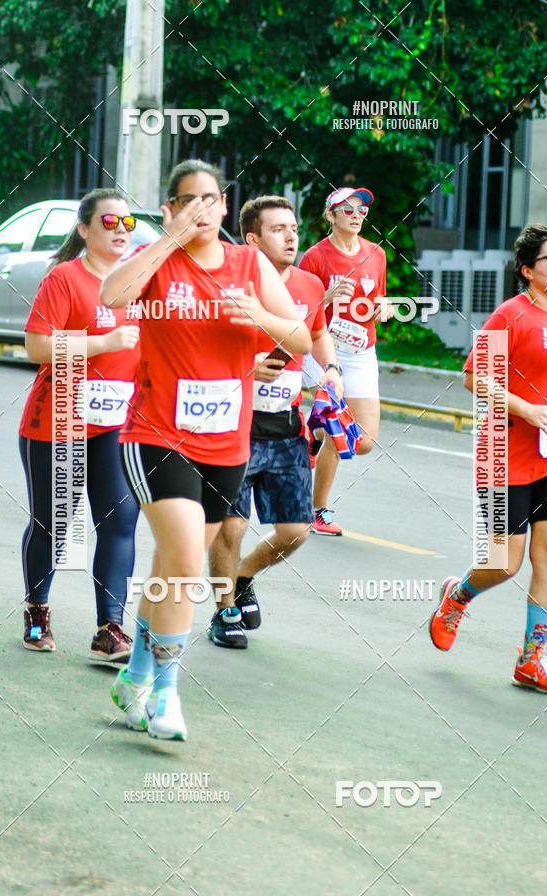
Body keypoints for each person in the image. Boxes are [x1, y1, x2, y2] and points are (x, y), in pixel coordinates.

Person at [101, 161, 311, 740]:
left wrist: (262, 315)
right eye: (186, 200)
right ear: (171, 208)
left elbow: (300, 337)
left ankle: (136, 679)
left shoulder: (248, 265)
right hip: (157, 437)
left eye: (209, 199)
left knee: (170, 567)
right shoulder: (160, 262)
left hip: (228, 444)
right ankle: (166, 693)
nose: (200, 208)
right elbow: (111, 295)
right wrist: (167, 238)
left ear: (224, 207)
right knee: (188, 562)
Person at [429, 224, 547, 694]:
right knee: (504, 562)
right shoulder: (510, 315)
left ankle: (531, 660)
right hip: (505, 454)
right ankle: (457, 597)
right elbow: (476, 379)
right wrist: (528, 408)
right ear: (528, 271)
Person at [207, 195, 343, 649]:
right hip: (237, 423)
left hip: (287, 426)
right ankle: (224, 611)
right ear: (252, 238)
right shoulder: (229, 284)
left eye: (293, 228)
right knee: (232, 526)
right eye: (278, 229)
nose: (291, 236)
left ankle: (244, 574)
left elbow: (319, 333)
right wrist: (248, 366)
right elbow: (200, 352)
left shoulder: (307, 284)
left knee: (295, 531)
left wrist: (331, 370)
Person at [19, 188, 141, 662]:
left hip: (115, 424)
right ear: (84, 229)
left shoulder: (139, 284)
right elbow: (37, 348)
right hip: (56, 422)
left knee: (120, 518)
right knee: (55, 523)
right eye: (109, 223)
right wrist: (102, 341)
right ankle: (37, 611)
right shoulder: (65, 279)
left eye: (128, 224)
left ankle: (109, 627)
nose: (120, 231)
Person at [299, 186, 391, 535]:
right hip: (321, 348)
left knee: (363, 440)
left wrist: (385, 309)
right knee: (338, 427)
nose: (356, 216)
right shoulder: (315, 257)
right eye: (348, 210)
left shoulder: (376, 254)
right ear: (331, 215)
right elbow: (299, 310)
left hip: (360, 350)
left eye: (361, 210)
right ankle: (318, 509)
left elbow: (377, 303)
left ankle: (314, 431)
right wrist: (326, 296)